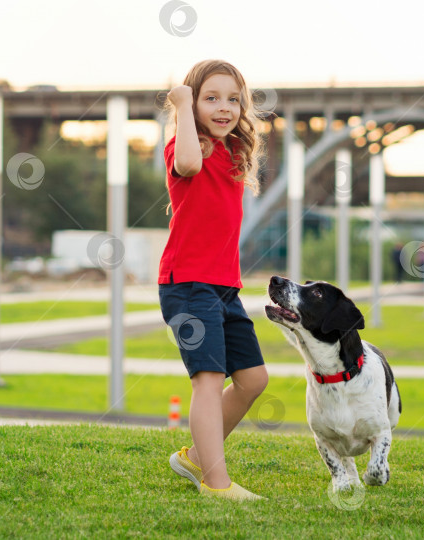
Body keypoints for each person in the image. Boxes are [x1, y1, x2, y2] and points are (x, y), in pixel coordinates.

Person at [158, 59, 268, 501]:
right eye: (211, 98)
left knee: (253, 380)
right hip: (186, 283)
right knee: (208, 377)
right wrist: (183, 105)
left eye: (233, 99)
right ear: (192, 102)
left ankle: (196, 458)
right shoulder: (185, 147)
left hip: (224, 287)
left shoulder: (233, 153)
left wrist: (195, 105)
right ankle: (215, 483)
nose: (224, 108)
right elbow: (186, 163)